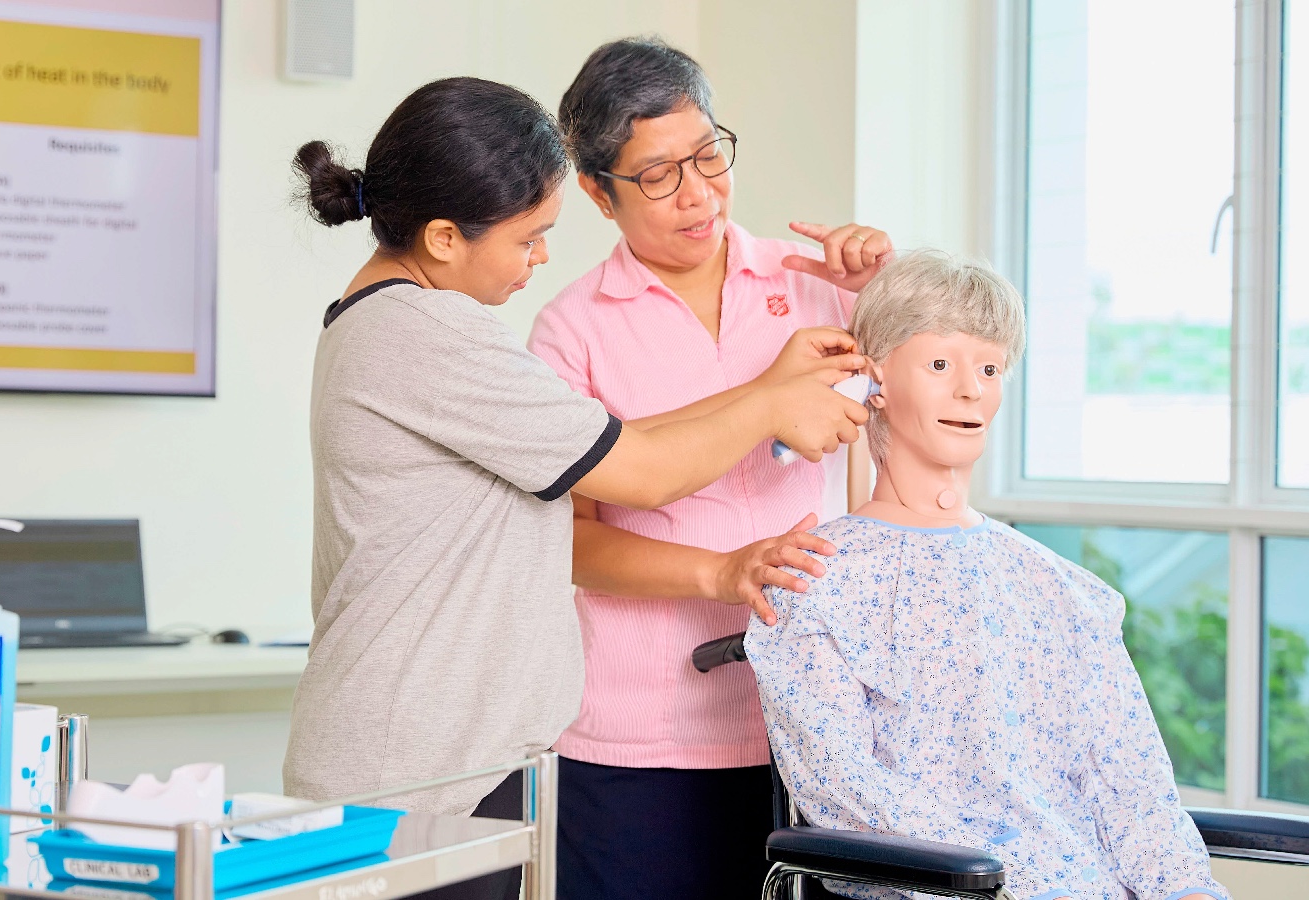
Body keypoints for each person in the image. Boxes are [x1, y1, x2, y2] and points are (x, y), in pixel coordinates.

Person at [283, 76, 869, 900]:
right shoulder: (429, 332)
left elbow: (617, 442)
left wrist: (769, 390)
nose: (543, 258)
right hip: (415, 773)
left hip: (443, 760)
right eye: (529, 239)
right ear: (446, 237)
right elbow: (640, 470)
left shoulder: (385, 319)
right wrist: (769, 405)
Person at [527, 37, 894, 898]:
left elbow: (935, 405)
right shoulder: (572, 330)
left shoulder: (812, 284)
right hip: (640, 736)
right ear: (596, 191)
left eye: (708, 156)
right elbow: (571, 544)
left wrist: (886, 289)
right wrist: (721, 572)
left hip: (810, 724)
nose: (698, 195)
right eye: (658, 175)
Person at [746, 251, 1228, 900]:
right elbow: (845, 790)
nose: (971, 388)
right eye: (941, 364)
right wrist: (1010, 883)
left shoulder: (1064, 591)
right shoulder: (812, 582)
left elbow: (1131, 783)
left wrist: (1188, 892)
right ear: (873, 378)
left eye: (991, 367)